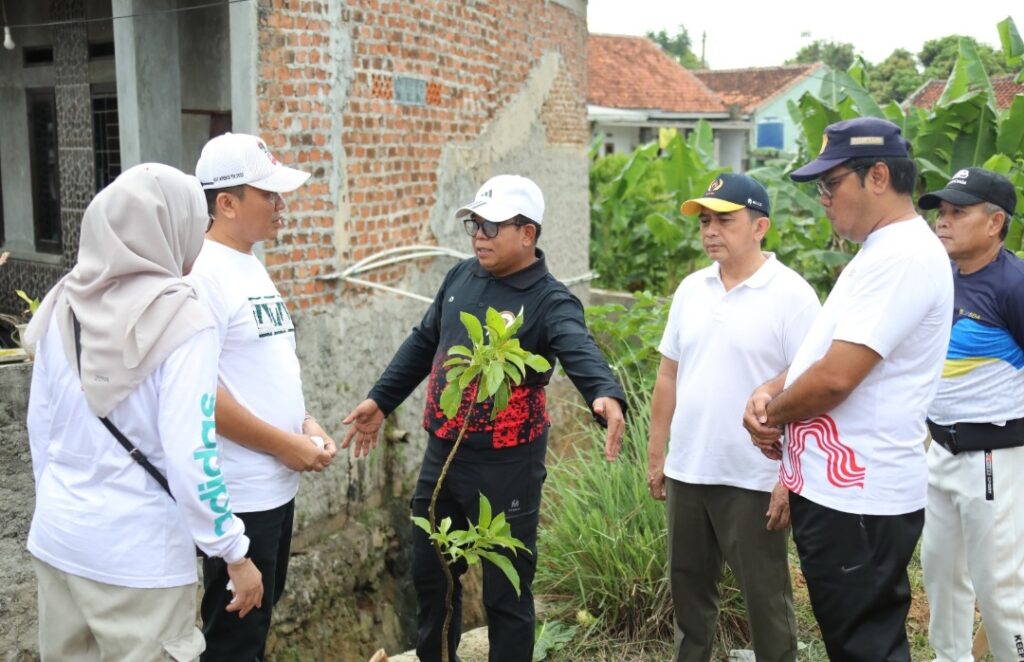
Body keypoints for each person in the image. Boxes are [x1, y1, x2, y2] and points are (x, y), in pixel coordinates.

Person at [342, 174, 626, 662]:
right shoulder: (460, 278)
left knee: (505, 589)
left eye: (491, 227)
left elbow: (577, 346)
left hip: (507, 462)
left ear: (527, 233)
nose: (478, 236)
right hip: (443, 453)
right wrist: (381, 400)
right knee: (432, 575)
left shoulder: (549, 299)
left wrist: (604, 393)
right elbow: (423, 340)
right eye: (475, 224)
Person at [24, 163, 263, 661]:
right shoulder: (181, 318)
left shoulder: (63, 301)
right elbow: (190, 453)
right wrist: (234, 552)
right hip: (139, 559)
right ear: (169, 228)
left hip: (58, 540)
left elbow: (40, 429)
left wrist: (68, 505)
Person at [742, 117, 954, 660]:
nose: (824, 201)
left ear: (878, 176)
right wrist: (773, 390)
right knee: (851, 641)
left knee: (866, 646)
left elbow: (837, 377)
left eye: (830, 185)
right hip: (841, 492)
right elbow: (822, 351)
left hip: (859, 498)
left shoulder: (903, 256)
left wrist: (775, 415)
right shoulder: (880, 251)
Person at [649, 173, 817, 662]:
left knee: (765, 599)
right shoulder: (691, 289)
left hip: (754, 476)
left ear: (760, 225)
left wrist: (789, 477)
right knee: (689, 596)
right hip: (688, 469)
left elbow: (810, 388)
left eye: (725, 219)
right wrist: (658, 451)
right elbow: (668, 375)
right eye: (705, 221)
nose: (711, 230)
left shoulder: (792, 295)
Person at [188, 133, 337, 661]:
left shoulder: (248, 263)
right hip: (240, 497)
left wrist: (303, 423)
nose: (281, 205)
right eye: (268, 194)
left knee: (254, 629)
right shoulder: (202, 274)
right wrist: (281, 444)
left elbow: (259, 369)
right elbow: (201, 394)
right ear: (225, 203)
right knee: (231, 644)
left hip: (275, 488)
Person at [917, 168, 1024, 661]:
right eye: (942, 211)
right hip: (938, 450)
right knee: (940, 575)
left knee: (998, 588)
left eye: (959, 212)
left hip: (992, 459)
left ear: (995, 221)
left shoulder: (1013, 286)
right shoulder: (938, 278)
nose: (944, 221)